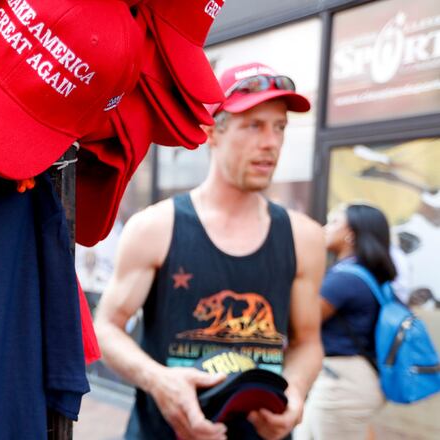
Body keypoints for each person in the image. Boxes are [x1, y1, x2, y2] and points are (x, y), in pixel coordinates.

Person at [93, 62, 326, 440]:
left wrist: (295, 392)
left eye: (279, 126)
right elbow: (105, 328)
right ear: (210, 132)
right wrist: (161, 382)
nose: (271, 142)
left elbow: (308, 342)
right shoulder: (156, 227)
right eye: (253, 125)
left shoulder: (304, 237)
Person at [293, 204, 394, 440]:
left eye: (334, 222)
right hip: (350, 379)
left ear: (351, 234)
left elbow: (300, 322)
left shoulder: (345, 279)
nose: (325, 229)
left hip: (343, 384)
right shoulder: (365, 273)